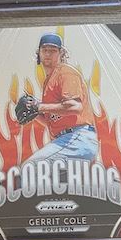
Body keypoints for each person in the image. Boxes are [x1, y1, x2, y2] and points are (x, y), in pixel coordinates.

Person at [23, 33, 98, 164]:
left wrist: (39, 106)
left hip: (77, 138)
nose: (48, 54)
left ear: (61, 54)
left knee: (30, 168)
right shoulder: (49, 81)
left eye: (53, 50)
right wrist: (34, 112)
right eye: (44, 50)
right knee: (51, 177)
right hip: (66, 140)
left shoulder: (65, 72)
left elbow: (75, 107)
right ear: (39, 53)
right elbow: (51, 120)